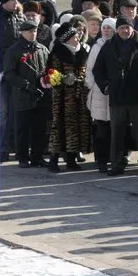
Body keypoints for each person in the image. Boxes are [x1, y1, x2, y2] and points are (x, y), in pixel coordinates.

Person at [93, 16, 138, 176]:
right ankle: (117, 164)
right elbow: (97, 70)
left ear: (133, 28)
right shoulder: (109, 46)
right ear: (116, 30)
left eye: (127, 28)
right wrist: (105, 86)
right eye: (121, 28)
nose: (125, 31)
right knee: (117, 133)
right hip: (117, 97)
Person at [3, 21, 50, 169]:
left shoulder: (42, 49)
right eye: (29, 31)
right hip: (22, 95)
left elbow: (49, 68)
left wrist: (50, 79)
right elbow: (9, 74)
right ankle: (23, 157)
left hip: (41, 95)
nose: (32, 33)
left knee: (40, 128)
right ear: (22, 32)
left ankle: (37, 156)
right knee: (22, 129)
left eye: (35, 31)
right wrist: (27, 86)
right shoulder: (14, 51)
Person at [46, 23, 92, 172]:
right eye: (73, 36)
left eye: (77, 35)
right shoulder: (58, 53)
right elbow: (51, 74)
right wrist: (64, 78)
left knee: (77, 127)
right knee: (59, 127)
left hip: (79, 96)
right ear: (66, 39)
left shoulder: (83, 51)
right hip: (63, 98)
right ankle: (53, 160)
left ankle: (71, 159)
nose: (77, 37)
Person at [0, 0, 26, 161]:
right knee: (4, 111)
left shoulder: (20, 18)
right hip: (2, 71)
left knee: (17, 110)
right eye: (12, 1)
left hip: (19, 70)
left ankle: (15, 145)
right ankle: (3, 147)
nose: (15, 4)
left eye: (16, 0)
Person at [86, 18, 115, 172]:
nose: (106, 31)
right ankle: (101, 158)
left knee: (114, 127)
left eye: (109, 28)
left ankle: (114, 157)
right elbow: (90, 69)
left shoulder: (116, 45)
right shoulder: (96, 47)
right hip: (99, 92)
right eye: (104, 28)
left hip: (115, 93)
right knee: (101, 128)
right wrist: (92, 86)